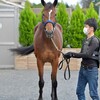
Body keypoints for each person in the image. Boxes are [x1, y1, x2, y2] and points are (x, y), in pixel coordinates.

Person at [64, 18, 100, 100]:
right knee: (79, 92)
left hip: (92, 70)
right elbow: (81, 54)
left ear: (91, 28)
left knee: (93, 94)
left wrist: (71, 54)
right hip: (82, 69)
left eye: (86, 26)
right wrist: (68, 55)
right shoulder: (85, 40)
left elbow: (87, 54)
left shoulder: (95, 41)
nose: (84, 28)